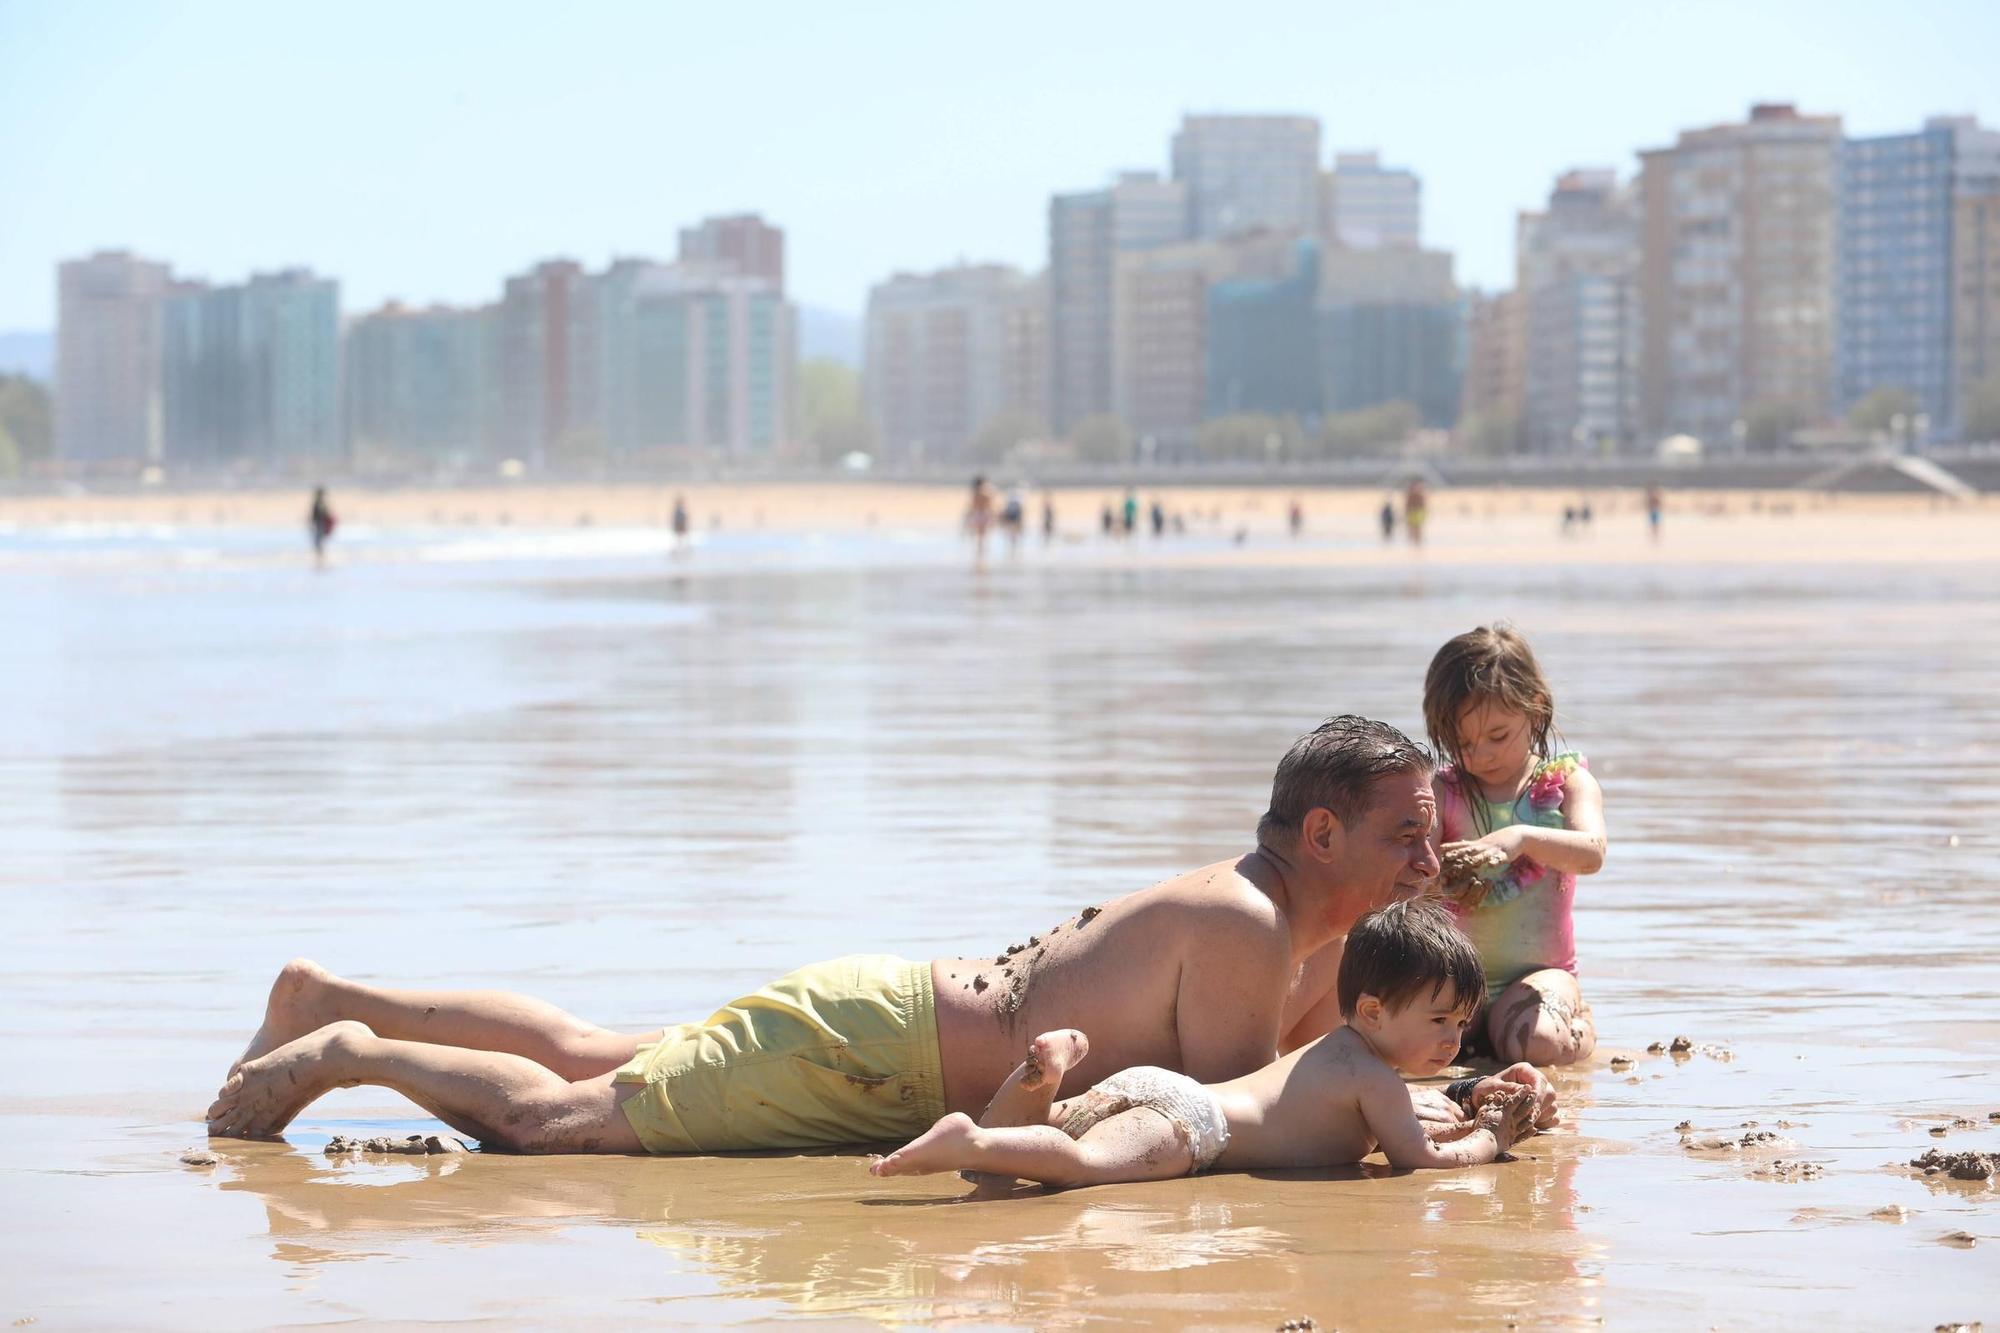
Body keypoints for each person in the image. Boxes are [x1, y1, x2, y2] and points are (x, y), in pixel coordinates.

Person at [205, 717, 1553, 1153]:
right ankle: (349, 1051)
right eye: (1402, 832)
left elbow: (1317, 1075)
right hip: (879, 1055)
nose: (1430, 853)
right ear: (1318, 836)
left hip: (882, 1022)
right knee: (569, 1123)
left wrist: (1445, 1082)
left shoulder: (1299, 934)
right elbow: (1217, 1122)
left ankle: (330, 989)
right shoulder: (1252, 922)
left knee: (591, 1049)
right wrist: (1442, 1130)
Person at [868, 900, 1547, 1191]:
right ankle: (972, 1137)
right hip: (1194, 1126)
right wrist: (1489, 1135)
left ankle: (1040, 1082)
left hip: (1153, 1087)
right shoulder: (1371, 1079)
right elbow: (1419, 1158)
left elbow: (1404, 1111)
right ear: (1372, 1008)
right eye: (1439, 1022)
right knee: (1079, 1164)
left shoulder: (1341, 1051)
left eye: (1461, 1024)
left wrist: (1462, 1092)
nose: (1454, 1040)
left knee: (1027, 1150)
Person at [1423, 625, 1607, 1066]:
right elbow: (1412, 877)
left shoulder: (1566, 783)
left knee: (1537, 1045)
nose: (1481, 754)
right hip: (1454, 982)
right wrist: (1439, 877)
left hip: (1539, 978)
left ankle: (1576, 1020)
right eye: (1463, 743)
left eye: (1498, 736)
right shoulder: (1444, 791)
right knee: (1394, 1044)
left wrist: (1520, 837)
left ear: (1535, 707)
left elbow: (1592, 852)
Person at [965, 476, 995, 564]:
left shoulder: (975, 493)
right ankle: (981, 553)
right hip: (984, 514)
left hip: (977, 514)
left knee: (978, 535)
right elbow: (990, 505)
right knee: (983, 535)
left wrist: (969, 516)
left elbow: (972, 506)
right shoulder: (986, 493)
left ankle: (979, 553)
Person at [308, 487, 336, 567]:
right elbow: (314, 515)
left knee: (319, 541)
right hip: (319, 524)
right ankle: (320, 556)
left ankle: (320, 556)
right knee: (318, 541)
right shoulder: (319, 503)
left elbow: (322, 514)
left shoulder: (320, 503)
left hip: (320, 524)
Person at [1403, 478, 1428, 547]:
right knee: (1411, 527)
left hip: (1418, 512)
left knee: (1418, 527)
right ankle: (1412, 542)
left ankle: (1417, 542)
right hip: (1411, 512)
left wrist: (1424, 512)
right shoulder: (1410, 494)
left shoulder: (1420, 494)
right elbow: (1407, 504)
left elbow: (1423, 505)